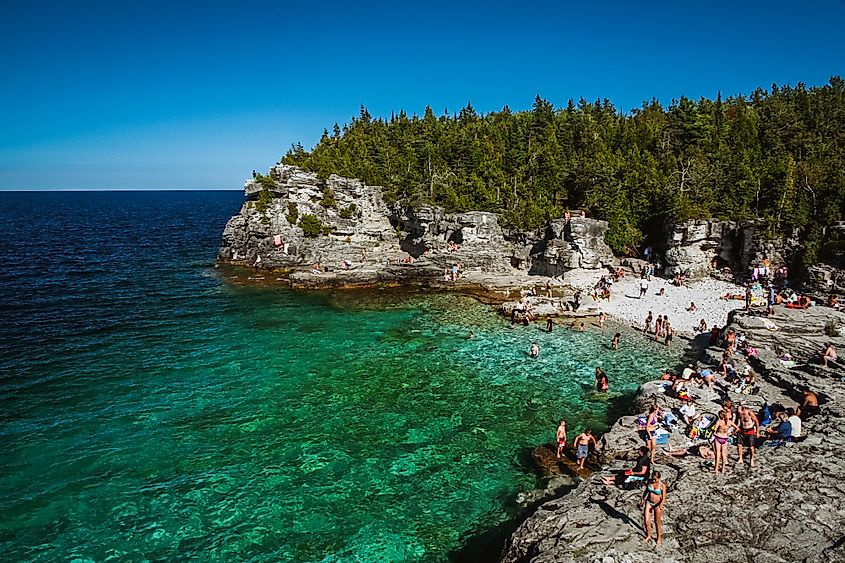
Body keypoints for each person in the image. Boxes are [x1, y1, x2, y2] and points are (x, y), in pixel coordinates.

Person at [640, 470, 666, 545]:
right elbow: (646, 491)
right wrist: (643, 499)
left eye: (655, 479)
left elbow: (664, 498)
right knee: (646, 520)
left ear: (659, 478)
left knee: (657, 522)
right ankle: (649, 535)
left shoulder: (662, 485)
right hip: (649, 502)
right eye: (653, 478)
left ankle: (659, 538)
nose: (654, 480)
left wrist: (661, 505)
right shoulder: (649, 481)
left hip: (657, 503)